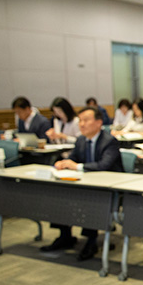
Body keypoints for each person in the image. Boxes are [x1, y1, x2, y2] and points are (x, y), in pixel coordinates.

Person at [40, 107, 123, 260]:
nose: (82, 124)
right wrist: (64, 163)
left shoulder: (109, 141)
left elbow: (104, 165)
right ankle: (65, 236)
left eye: (86, 120)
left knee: (88, 199)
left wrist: (76, 166)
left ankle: (91, 241)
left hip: (109, 190)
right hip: (88, 184)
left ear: (98, 123)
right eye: (80, 121)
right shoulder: (81, 140)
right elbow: (73, 159)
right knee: (59, 195)